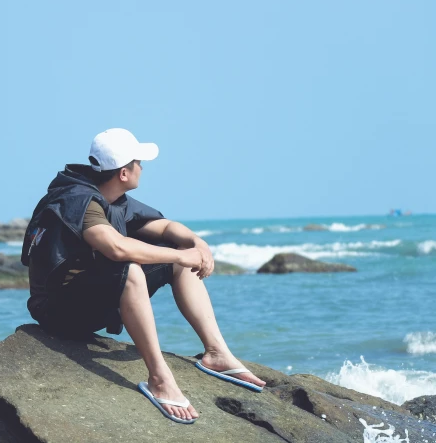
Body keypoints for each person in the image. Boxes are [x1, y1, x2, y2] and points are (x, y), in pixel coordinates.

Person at [21, 128, 265, 424]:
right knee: (132, 267)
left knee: (177, 255)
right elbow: (116, 247)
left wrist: (195, 244)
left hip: (90, 299)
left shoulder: (111, 196)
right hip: (58, 312)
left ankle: (217, 354)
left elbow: (163, 227)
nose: (142, 167)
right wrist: (179, 254)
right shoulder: (78, 200)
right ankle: (160, 379)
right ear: (124, 173)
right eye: (138, 162)